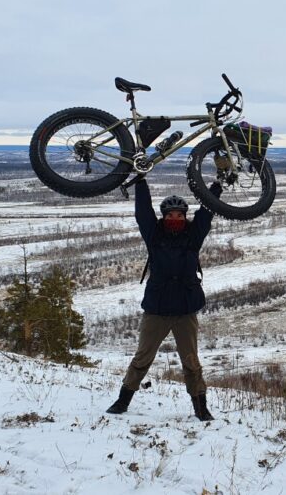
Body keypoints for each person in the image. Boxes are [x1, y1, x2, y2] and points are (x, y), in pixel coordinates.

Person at [106, 177, 222, 420]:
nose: (175, 219)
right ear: (163, 217)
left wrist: (217, 186)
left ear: (185, 217)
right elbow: (142, 213)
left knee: (191, 362)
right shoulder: (154, 237)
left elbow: (207, 213)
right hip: (156, 311)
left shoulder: (193, 237)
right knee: (142, 358)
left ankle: (201, 409)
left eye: (180, 215)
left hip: (184, 312)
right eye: (170, 215)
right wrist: (140, 182)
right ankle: (123, 400)